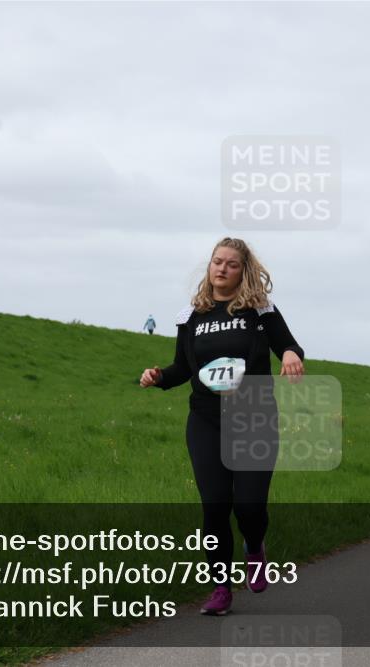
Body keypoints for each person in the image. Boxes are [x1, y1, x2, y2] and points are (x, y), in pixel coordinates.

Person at [139, 237, 305, 616]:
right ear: (209, 266)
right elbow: (182, 367)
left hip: (254, 417)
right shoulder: (191, 316)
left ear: (242, 270)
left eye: (231, 264)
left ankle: (254, 548)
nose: (222, 269)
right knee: (215, 506)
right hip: (205, 420)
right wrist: (158, 376)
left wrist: (293, 354)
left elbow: (288, 345)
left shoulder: (259, 310)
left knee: (248, 507)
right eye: (217, 262)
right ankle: (220, 589)